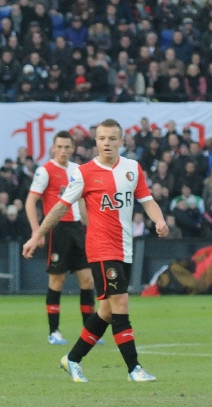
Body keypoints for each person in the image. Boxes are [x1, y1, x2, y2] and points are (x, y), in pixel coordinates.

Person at [22, 119, 169, 383]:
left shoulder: (132, 169)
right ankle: (134, 368)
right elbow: (60, 207)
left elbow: (148, 201)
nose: (107, 143)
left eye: (112, 138)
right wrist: (38, 235)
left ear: (121, 141)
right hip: (101, 248)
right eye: (102, 138)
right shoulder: (84, 173)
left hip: (125, 248)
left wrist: (159, 220)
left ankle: (72, 359)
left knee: (106, 311)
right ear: (96, 142)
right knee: (121, 303)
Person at [24, 131, 99, 346]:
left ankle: (89, 332)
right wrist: (36, 231)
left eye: (68, 147)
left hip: (78, 230)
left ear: (73, 148)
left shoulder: (78, 170)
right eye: (60, 147)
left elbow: (83, 203)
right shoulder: (45, 171)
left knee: (87, 279)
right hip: (57, 230)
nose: (64, 151)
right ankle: (54, 331)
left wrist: (90, 226)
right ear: (53, 148)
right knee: (58, 280)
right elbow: (31, 202)